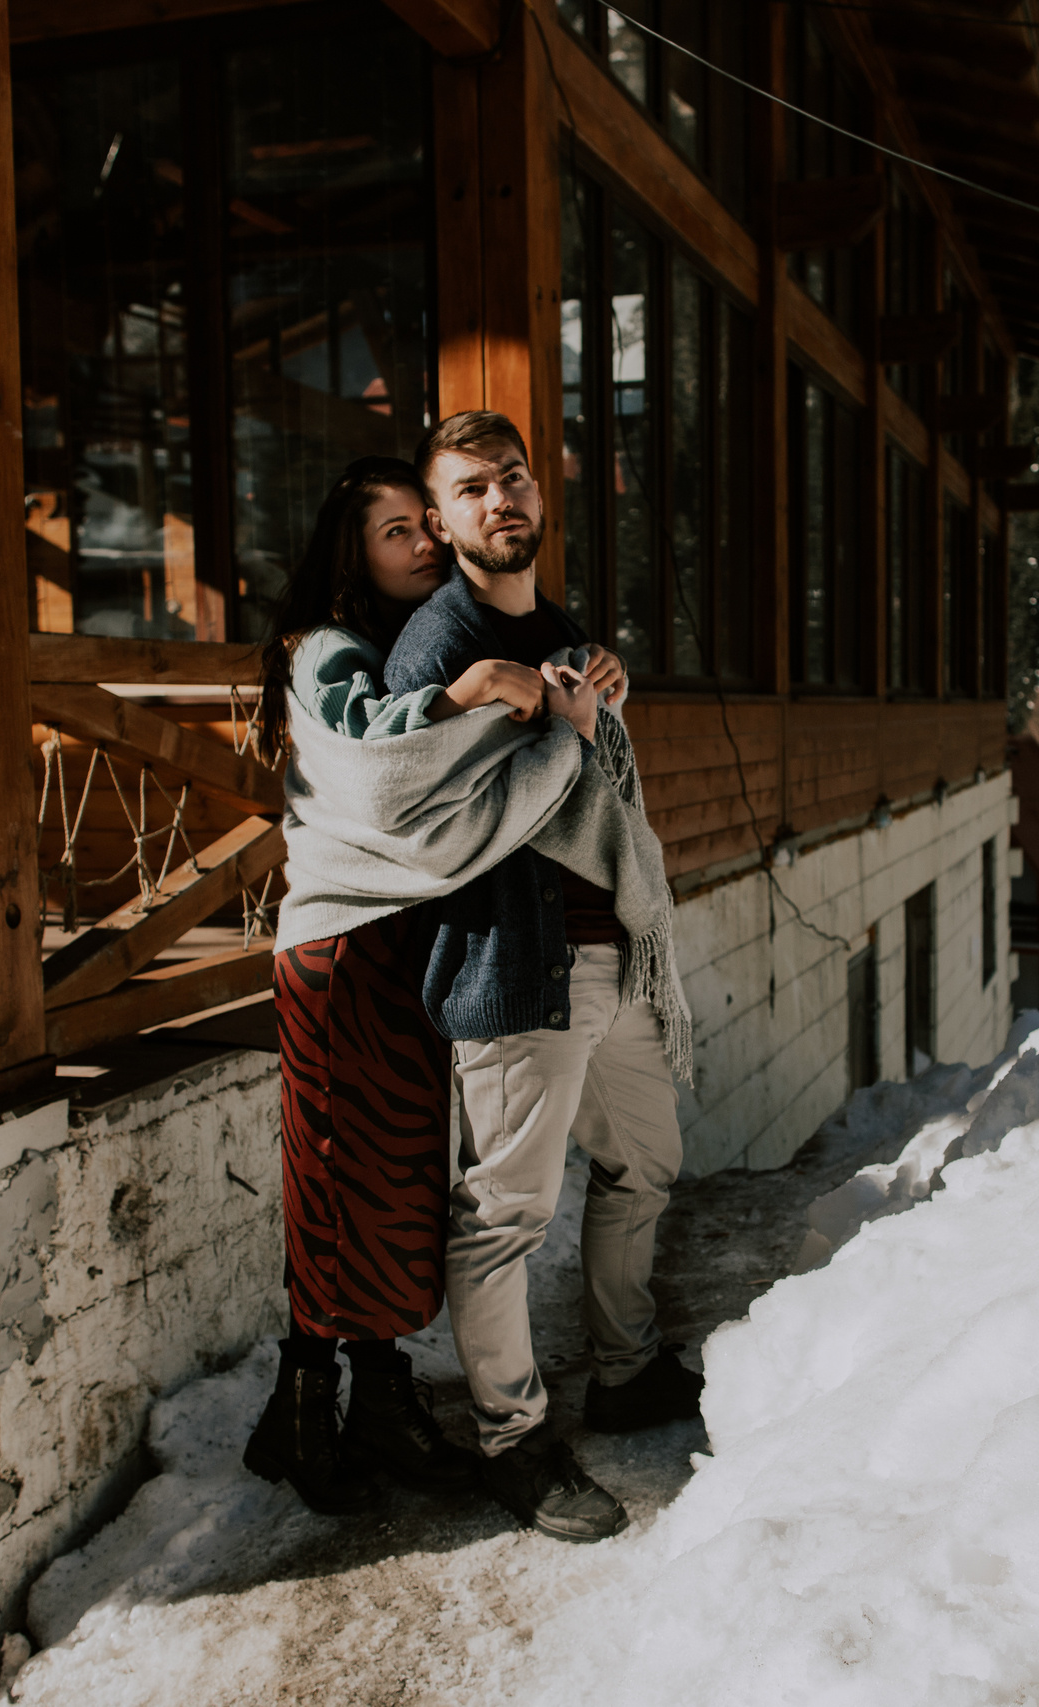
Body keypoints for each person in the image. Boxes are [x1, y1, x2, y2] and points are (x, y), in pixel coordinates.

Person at [382, 410, 700, 1545]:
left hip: (614, 949)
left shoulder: (558, 626)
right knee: (505, 1216)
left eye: (511, 477)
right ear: (439, 522)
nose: (500, 498)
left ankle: (625, 1369)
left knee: (644, 1163)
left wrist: (603, 693)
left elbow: (590, 766)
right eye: (471, 488)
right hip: (518, 962)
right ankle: (511, 1440)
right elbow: (418, 814)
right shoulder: (437, 645)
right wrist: (549, 723)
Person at [241, 456, 577, 1514]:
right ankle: (310, 1415)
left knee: (389, 1181)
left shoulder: (389, 640)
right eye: (399, 532)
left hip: (392, 943)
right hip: (339, 949)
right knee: (338, 1175)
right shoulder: (329, 649)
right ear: (353, 554)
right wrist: (464, 694)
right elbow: (377, 763)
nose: (425, 544)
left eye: (422, 527)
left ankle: (369, 1399)